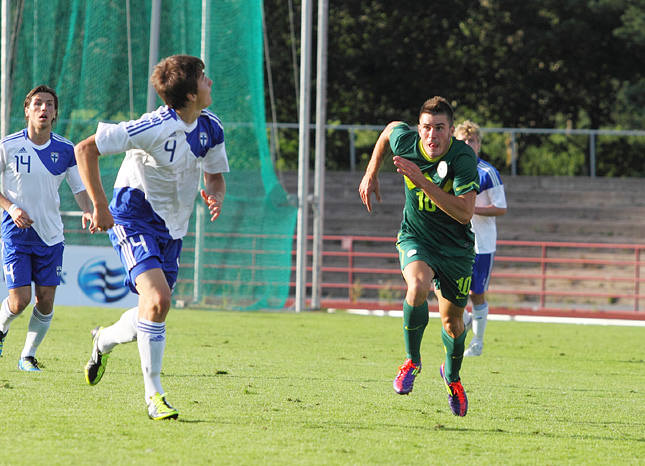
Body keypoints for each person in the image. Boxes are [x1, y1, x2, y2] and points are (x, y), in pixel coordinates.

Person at [75, 55, 229, 421]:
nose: (210, 83)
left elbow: (215, 176)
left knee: (151, 310)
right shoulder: (153, 126)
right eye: (204, 79)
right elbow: (85, 150)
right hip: (134, 216)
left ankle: (103, 340)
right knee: (158, 301)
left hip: (173, 228)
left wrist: (215, 193)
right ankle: (154, 396)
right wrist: (99, 206)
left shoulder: (211, 127)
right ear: (190, 94)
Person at [359, 96, 479, 417]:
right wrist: (372, 173)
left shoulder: (463, 158)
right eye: (426, 127)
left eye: (440, 128)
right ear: (419, 129)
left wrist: (421, 180)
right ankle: (412, 361)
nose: (432, 135)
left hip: (455, 250)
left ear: (451, 131)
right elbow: (388, 131)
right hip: (417, 238)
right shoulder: (407, 142)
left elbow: (466, 213)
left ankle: (452, 377)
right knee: (417, 287)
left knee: (454, 324)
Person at [0, 85, 94, 371]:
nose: (44, 109)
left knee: (46, 300)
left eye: (49, 105)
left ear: (55, 113)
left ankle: (27, 356)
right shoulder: (8, 145)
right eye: (38, 104)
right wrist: (11, 207)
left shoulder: (66, 149)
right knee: (20, 301)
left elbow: (78, 187)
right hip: (15, 233)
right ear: (27, 110)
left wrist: (89, 209)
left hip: (51, 235)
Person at [454, 121, 507, 357]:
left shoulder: (488, 172)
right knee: (445, 287)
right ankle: (465, 320)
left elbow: (501, 207)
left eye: (472, 140)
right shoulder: (449, 168)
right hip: (454, 240)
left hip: (481, 243)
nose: (468, 144)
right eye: (463, 140)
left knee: (476, 293)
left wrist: (470, 209)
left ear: (479, 144)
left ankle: (477, 341)